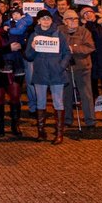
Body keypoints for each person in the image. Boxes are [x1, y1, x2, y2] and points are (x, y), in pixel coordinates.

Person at [25, 10, 72, 144]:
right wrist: (33, 48)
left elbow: (67, 53)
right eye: (43, 18)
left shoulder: (58, 34)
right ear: (38, 21)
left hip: (56, 73)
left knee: (58, 102)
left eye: (48, 18)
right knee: (41, 102)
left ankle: (59, 134)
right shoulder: (34, 35)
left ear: (51, 20)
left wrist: (61, 66)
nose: (46, 21)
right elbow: (28, 56)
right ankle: (41, 132)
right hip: (41, 73)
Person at [60, 9, 96, 129]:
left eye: (76, 18)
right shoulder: (59, 31)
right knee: (66, 94)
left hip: (82, 67)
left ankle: (90, 120)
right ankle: (67, 119)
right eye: (70, 19)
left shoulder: (84, 32)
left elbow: (90, 47)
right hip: (66, 67)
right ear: (65, 21)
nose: (74, 21)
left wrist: (74, 48)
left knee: (86, 94)